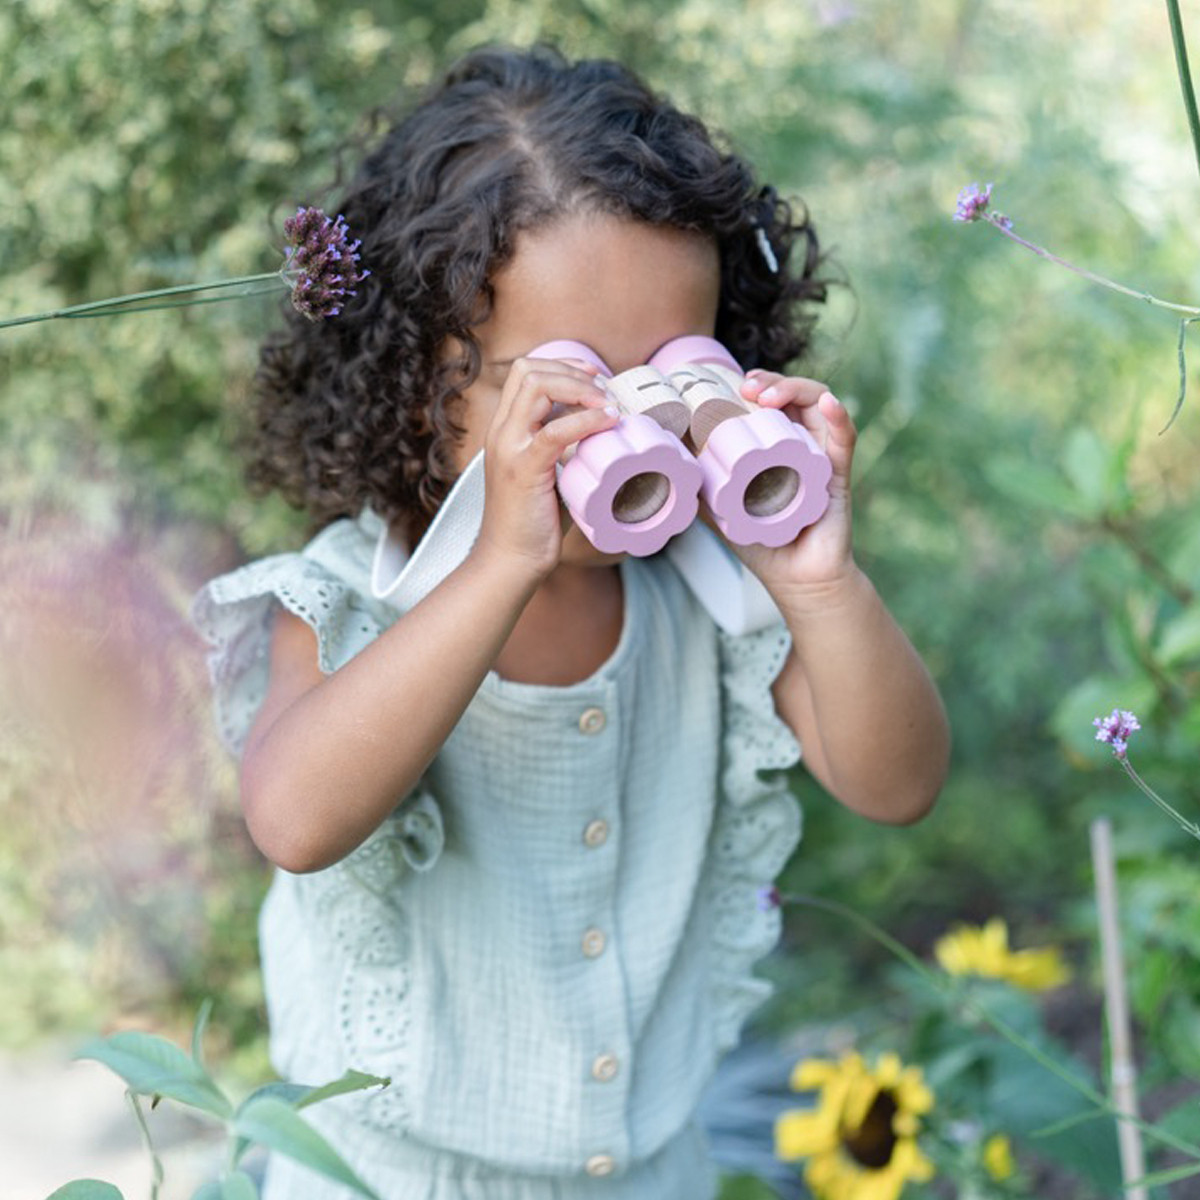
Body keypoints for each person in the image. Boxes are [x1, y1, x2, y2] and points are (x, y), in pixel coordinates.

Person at [193, 44, 950, 1200]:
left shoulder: (715, 590)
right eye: (567, 387)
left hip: (651, 1173)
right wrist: (498, 563)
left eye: (672, 374)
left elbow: (897, 784)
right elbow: (294, 819)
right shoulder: (351, 598)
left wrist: (817, 582)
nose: (625, 430)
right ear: (422, 383)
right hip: (386, 1178)